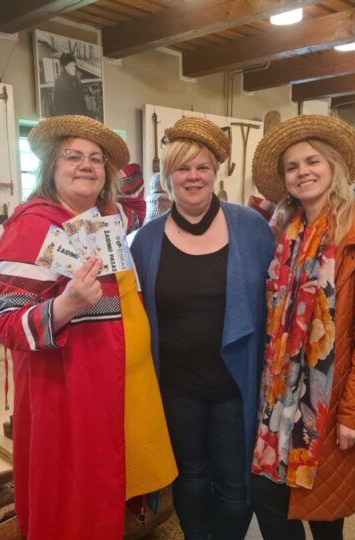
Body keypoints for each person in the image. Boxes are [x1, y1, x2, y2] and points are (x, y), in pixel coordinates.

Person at [0, 115, 177, 539]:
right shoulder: (32, 226)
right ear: (51, 167)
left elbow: (134, 206)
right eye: (72, 156)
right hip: (67, 394)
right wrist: (66, 305)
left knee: (106, 488)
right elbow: (9, 326)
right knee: (74, 496)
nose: (86, 165)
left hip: (115, 387)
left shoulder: (104, 218)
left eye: (96, 159)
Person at [250, 114, 355, 540]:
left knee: (325, 509)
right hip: (280, 394)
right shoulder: (287, 231)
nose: (303, 172)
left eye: (312, 161)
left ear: (333, 166)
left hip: (329, 399)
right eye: (292, 166)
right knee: (269, 496)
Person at [130, 117, 275, 540]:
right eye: (182, 168)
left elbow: (274, 301)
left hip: (234, 385)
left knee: (234, 488)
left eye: (202, 167)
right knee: (190, 475)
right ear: (167, 175)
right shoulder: (146, 240)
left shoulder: (250, 227)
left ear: (215, 172)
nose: (193, 176)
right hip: (176, 388)